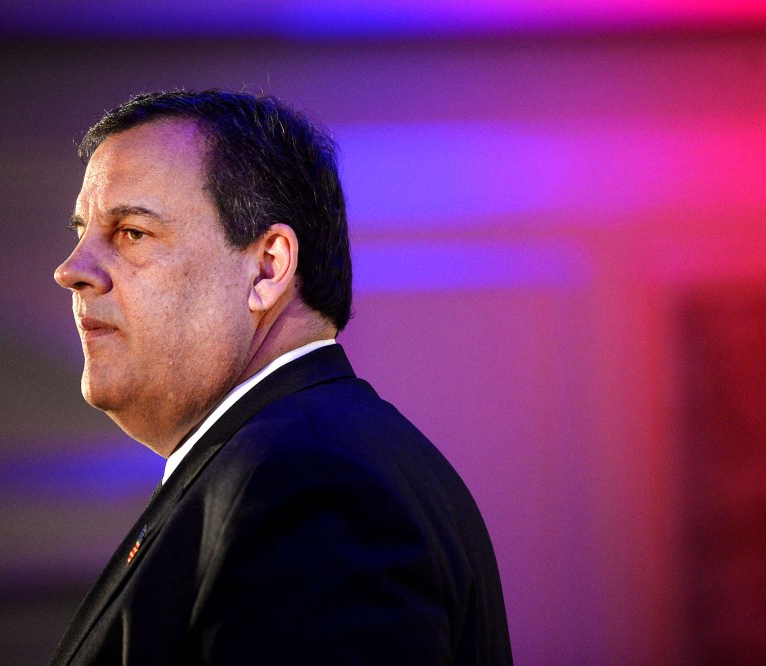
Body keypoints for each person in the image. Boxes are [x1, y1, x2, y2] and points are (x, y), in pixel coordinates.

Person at [50, 89, 513, 665]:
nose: (71, 270)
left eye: (131, 232)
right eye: (81, 232)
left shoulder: (309, 484)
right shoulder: (297, 460)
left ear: (268, 267)